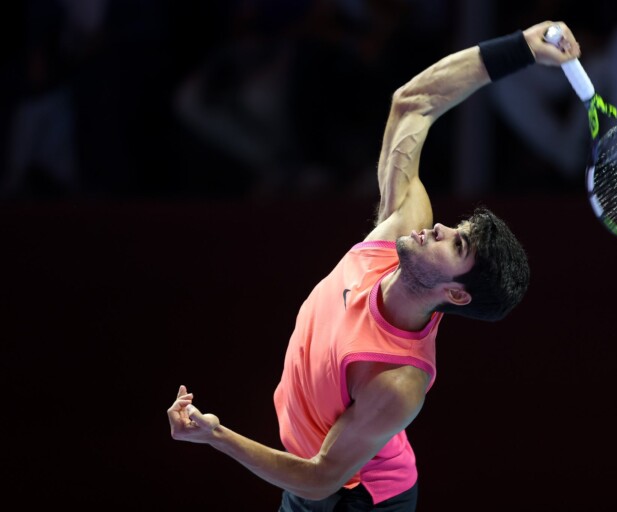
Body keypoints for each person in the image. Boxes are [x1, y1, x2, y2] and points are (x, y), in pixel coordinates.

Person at [167, 20, 581, 511]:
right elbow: (413, 103)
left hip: (355, 500)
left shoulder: (399, 380)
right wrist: (520, 48)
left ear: (455, 294)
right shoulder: (397, 232)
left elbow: (320, 479)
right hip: (317, 473)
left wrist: (217, 437)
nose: (440, 229)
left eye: (456, 247)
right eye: (458, 227)